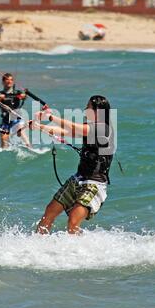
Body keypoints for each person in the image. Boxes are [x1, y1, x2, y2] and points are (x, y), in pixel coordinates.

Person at [33, 95, 114, 235]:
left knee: (73, 221)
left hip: (94, 184)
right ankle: (36, 246)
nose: (85, 110)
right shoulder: (88, 128)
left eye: (88, 107)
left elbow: (74, 127)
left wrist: (51, 117)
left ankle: (77, 252)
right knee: (49, 212)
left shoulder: (103, 129)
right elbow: (66, 131)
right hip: (78, 179)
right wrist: (39, 127)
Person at [0, 73, 31, 149]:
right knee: (4, 139)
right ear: (3, 82)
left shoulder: (18, 93)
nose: (9, 81)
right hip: (5, 120)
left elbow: (24, 97)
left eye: (11, 80)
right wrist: (0, 98)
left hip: (17, 119)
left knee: (20, 130)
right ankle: (4, 153)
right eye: (7, 79)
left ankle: (29, 147)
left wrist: (24, 96)